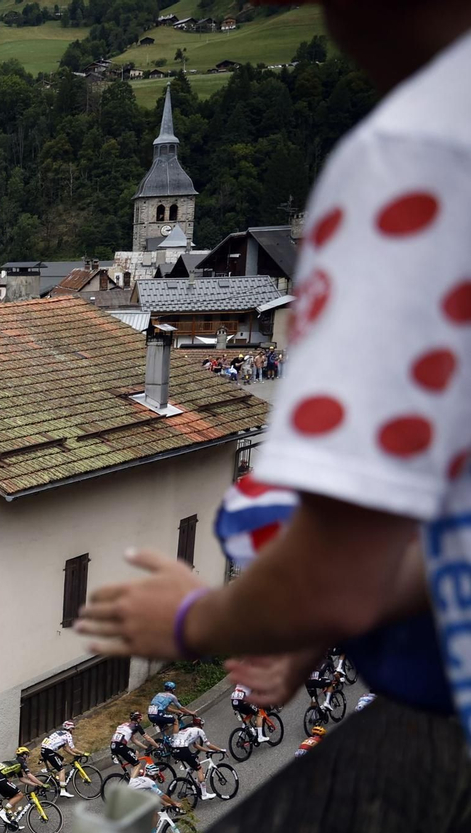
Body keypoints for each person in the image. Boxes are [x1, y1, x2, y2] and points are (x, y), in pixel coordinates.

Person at [74, 0, 471, 735]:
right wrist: (306, 621)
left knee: (256, 509)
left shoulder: (422, 153)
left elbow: (342, 562)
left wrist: (198, 618)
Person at [0, 747, 46, 828]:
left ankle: (12, 822)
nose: (27, 758)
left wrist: (35, 785)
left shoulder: (16, 763)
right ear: (24, 755)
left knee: (13, 798)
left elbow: (22, 779)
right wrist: (42, 784)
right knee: (19, 795)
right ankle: (3, 811)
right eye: (27, 755)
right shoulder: (21, 762)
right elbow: (29, 775)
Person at [169, 718, 225, 800]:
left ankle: (195, 781)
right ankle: (204, 794)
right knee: (199, 769)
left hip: (174, 750)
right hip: (183, 749)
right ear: (200, 725)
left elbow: (196, 746)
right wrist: (221, 750)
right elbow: (208, 744)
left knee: (195, 758)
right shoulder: (199, 731)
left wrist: (209, 751)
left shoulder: (188, 729)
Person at [40, 721, 84, 797]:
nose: (73, 730)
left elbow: (65, 748)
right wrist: (83, 753)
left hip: (45, 750)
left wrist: (74, 755)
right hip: (49, 751)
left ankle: (58, 778)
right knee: (62, 770)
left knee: (63, 760)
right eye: (72, 729)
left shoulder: (59, 732)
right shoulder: (68, 735)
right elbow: (72, 748)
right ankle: (63, 791)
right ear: (69, 729)